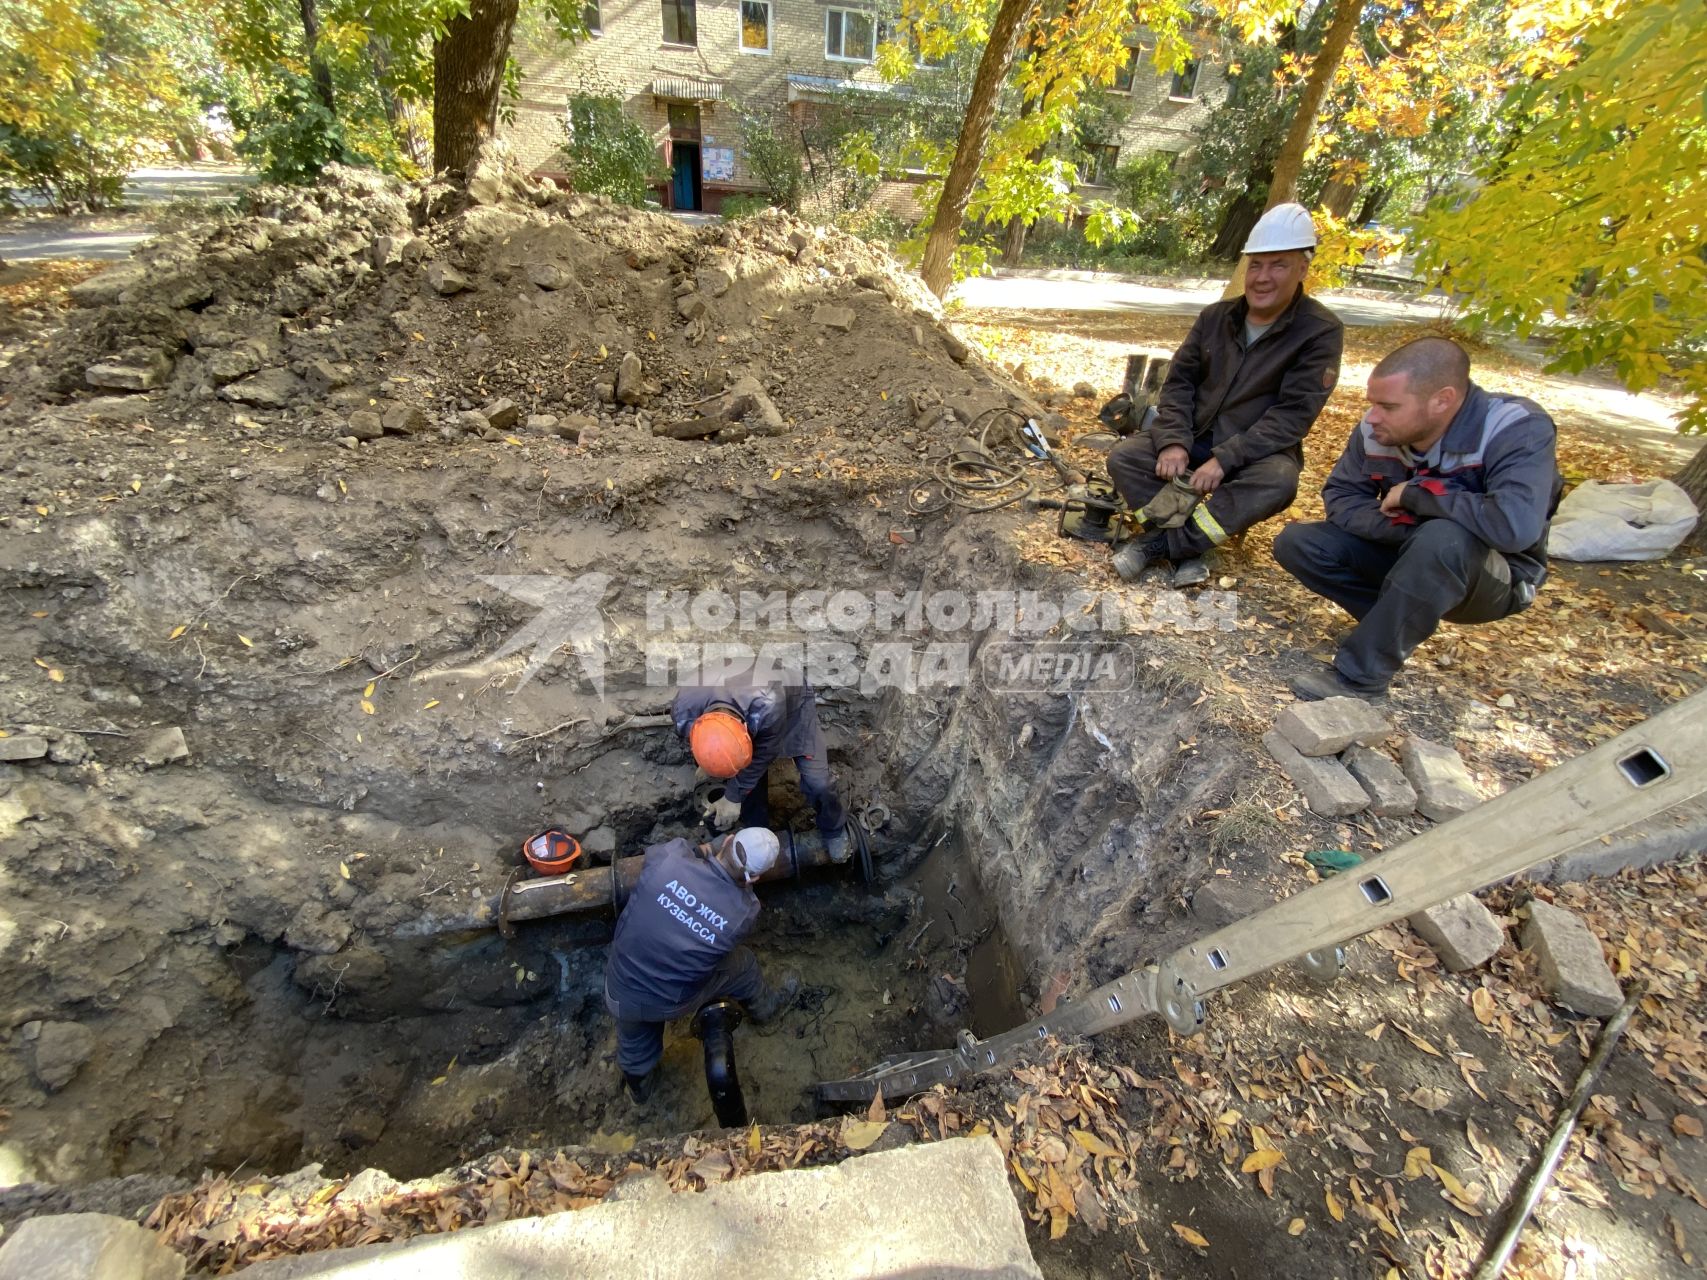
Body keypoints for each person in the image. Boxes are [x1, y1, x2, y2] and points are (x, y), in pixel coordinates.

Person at [1275, 336, 1562, 702]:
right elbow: (1342, 499)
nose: (1373, 416)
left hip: (1495, 578)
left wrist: (1416, 497)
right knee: (1300, 543)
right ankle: (1395, 622)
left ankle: (1361, 680)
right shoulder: (1375, 429)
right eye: (1373, 403)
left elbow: (1514, 527)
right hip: (1415, 551)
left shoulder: (1515, 428)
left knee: (1443, 539)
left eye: (1389, 406)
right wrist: (1411, 530)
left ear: (1442, 400)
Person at [1107, 202, 1345, 586]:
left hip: (1255, 451)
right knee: (1125, 457)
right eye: (1256, 265)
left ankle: (1161, 546)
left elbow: (1294, 415)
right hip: (1196, 435)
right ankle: (1194, 546)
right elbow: (1179, 383)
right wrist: (1172, 442)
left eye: (1278, 265)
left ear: (1303, 268)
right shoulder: (1216, 317)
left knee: (1278, 482)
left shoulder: (1319, 331)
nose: (1262, 278)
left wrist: (1225, 459)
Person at [603, 828, 800, 1102]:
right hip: (671, 1002)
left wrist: (707, 850)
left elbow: (683, 851)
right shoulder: (744, 911)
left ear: (729, 840)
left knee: (634, 1037)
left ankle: (640, 1089)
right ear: (755, 877)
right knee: (743, 964)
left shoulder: (669, 861)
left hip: (619, 987)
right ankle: (766, 1012)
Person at [672, 679, 847, 858]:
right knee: (750, 790)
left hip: (791, 701)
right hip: (745, 696)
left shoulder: (769, 704)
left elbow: (762, 757)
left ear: (746, 732)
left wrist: (733, 797)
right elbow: (691, 739)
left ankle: (834, 829)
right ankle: (758, 836)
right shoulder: (683, 709)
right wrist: (706, 761)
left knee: (818, 784)